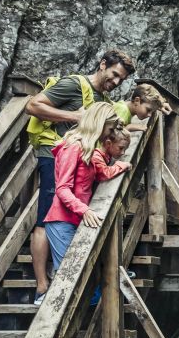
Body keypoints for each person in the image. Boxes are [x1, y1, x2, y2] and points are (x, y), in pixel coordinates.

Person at [25, 48, 136, 304]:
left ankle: (71, 280)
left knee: (67, 216)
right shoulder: (74, 85)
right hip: (55, 156)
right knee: (44, 219)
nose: (116, 81)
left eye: (121, 79)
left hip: (81, 161)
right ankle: (43, 286)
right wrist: (75, 116)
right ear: (102, 64)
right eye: (115, 74)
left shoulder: (103, 100)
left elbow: (111, 124)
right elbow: (33, 105)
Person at [42, 104, 131, 275]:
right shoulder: (73, 146)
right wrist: (85, 210)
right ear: (99, 124)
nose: (111, 134)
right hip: (62, 221)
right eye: (110, 128)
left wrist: (118, 165)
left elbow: (99, 175)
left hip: (76, 219)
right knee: (68, 276)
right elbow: (62, 189)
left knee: (82, 276)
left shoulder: (87, 148)